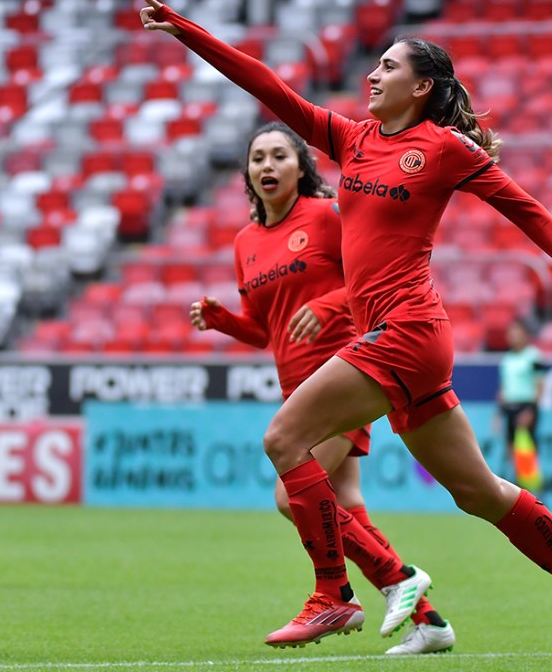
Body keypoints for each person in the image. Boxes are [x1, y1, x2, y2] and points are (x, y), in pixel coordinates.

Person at [137, 0, 552, 671]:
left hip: (410, 331)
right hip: (401, 347)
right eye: (375, 65)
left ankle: (335, 591)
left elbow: (532, 211)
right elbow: (270, 86)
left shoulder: (444, 149)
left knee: (283, 438)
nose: (372, 75)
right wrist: (184, 30)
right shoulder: (352, 139)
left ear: (422, 85)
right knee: (480, 492)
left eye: (389, 67)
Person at [189, 122, 455, 654]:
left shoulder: (327, 214)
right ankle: (429, 622)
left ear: (301, 167)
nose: (267, 166)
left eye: (280, 156)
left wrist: (329, 305)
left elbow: (373, 278)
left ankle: (396, 578)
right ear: (246, 171)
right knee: (347, 506)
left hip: (347, 376)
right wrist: (223, 321)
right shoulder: (245, 242)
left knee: (291, 498)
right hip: (298, 392)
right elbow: (266, 328)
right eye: (258, 157)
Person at [496, 319, 546, 491]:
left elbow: (540, 386)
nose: (512, 336)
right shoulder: (506, 359)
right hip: (510, 407)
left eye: (516, 332)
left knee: (526, 449)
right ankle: (520, 486)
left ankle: (533, 488)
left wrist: (531, 410)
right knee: (511, 448)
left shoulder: (534, 356)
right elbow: (503, 387)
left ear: (525, 335)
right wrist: (498, 413)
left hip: (526, 406)